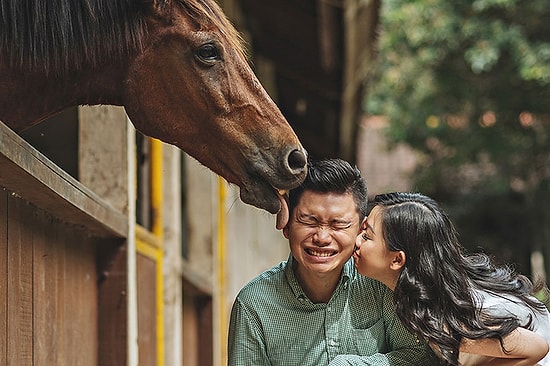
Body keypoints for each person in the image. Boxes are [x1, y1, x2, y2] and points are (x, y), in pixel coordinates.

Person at [227, 159, 438, 366]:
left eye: (338, 224)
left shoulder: (380, 284)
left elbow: (421, 356)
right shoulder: (253, 305)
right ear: (286, 224)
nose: (322, 237)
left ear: (360, 229)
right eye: (309, 220)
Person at [353, 191, 550, 366]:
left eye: (367, 236)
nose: (357, 240)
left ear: (397, 259)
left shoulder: (449, 312)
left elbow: (537, 347)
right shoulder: (435, 293)